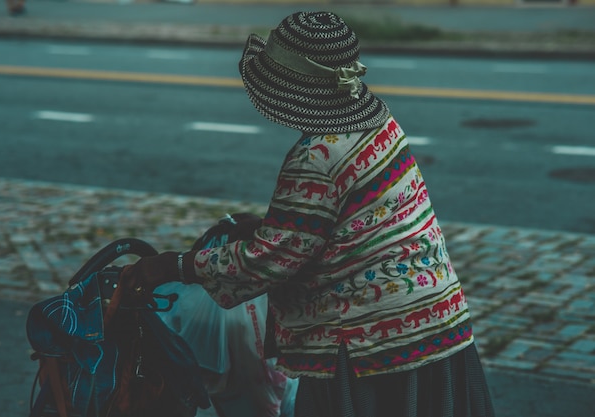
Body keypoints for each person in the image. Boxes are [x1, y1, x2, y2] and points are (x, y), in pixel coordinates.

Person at [121, 11, 495, 417]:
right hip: (436, 315)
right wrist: (269, 227)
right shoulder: (378, 121)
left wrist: (173, 266)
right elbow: (344, 221)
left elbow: (269, 259)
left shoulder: (314, 156)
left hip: (371, 344)